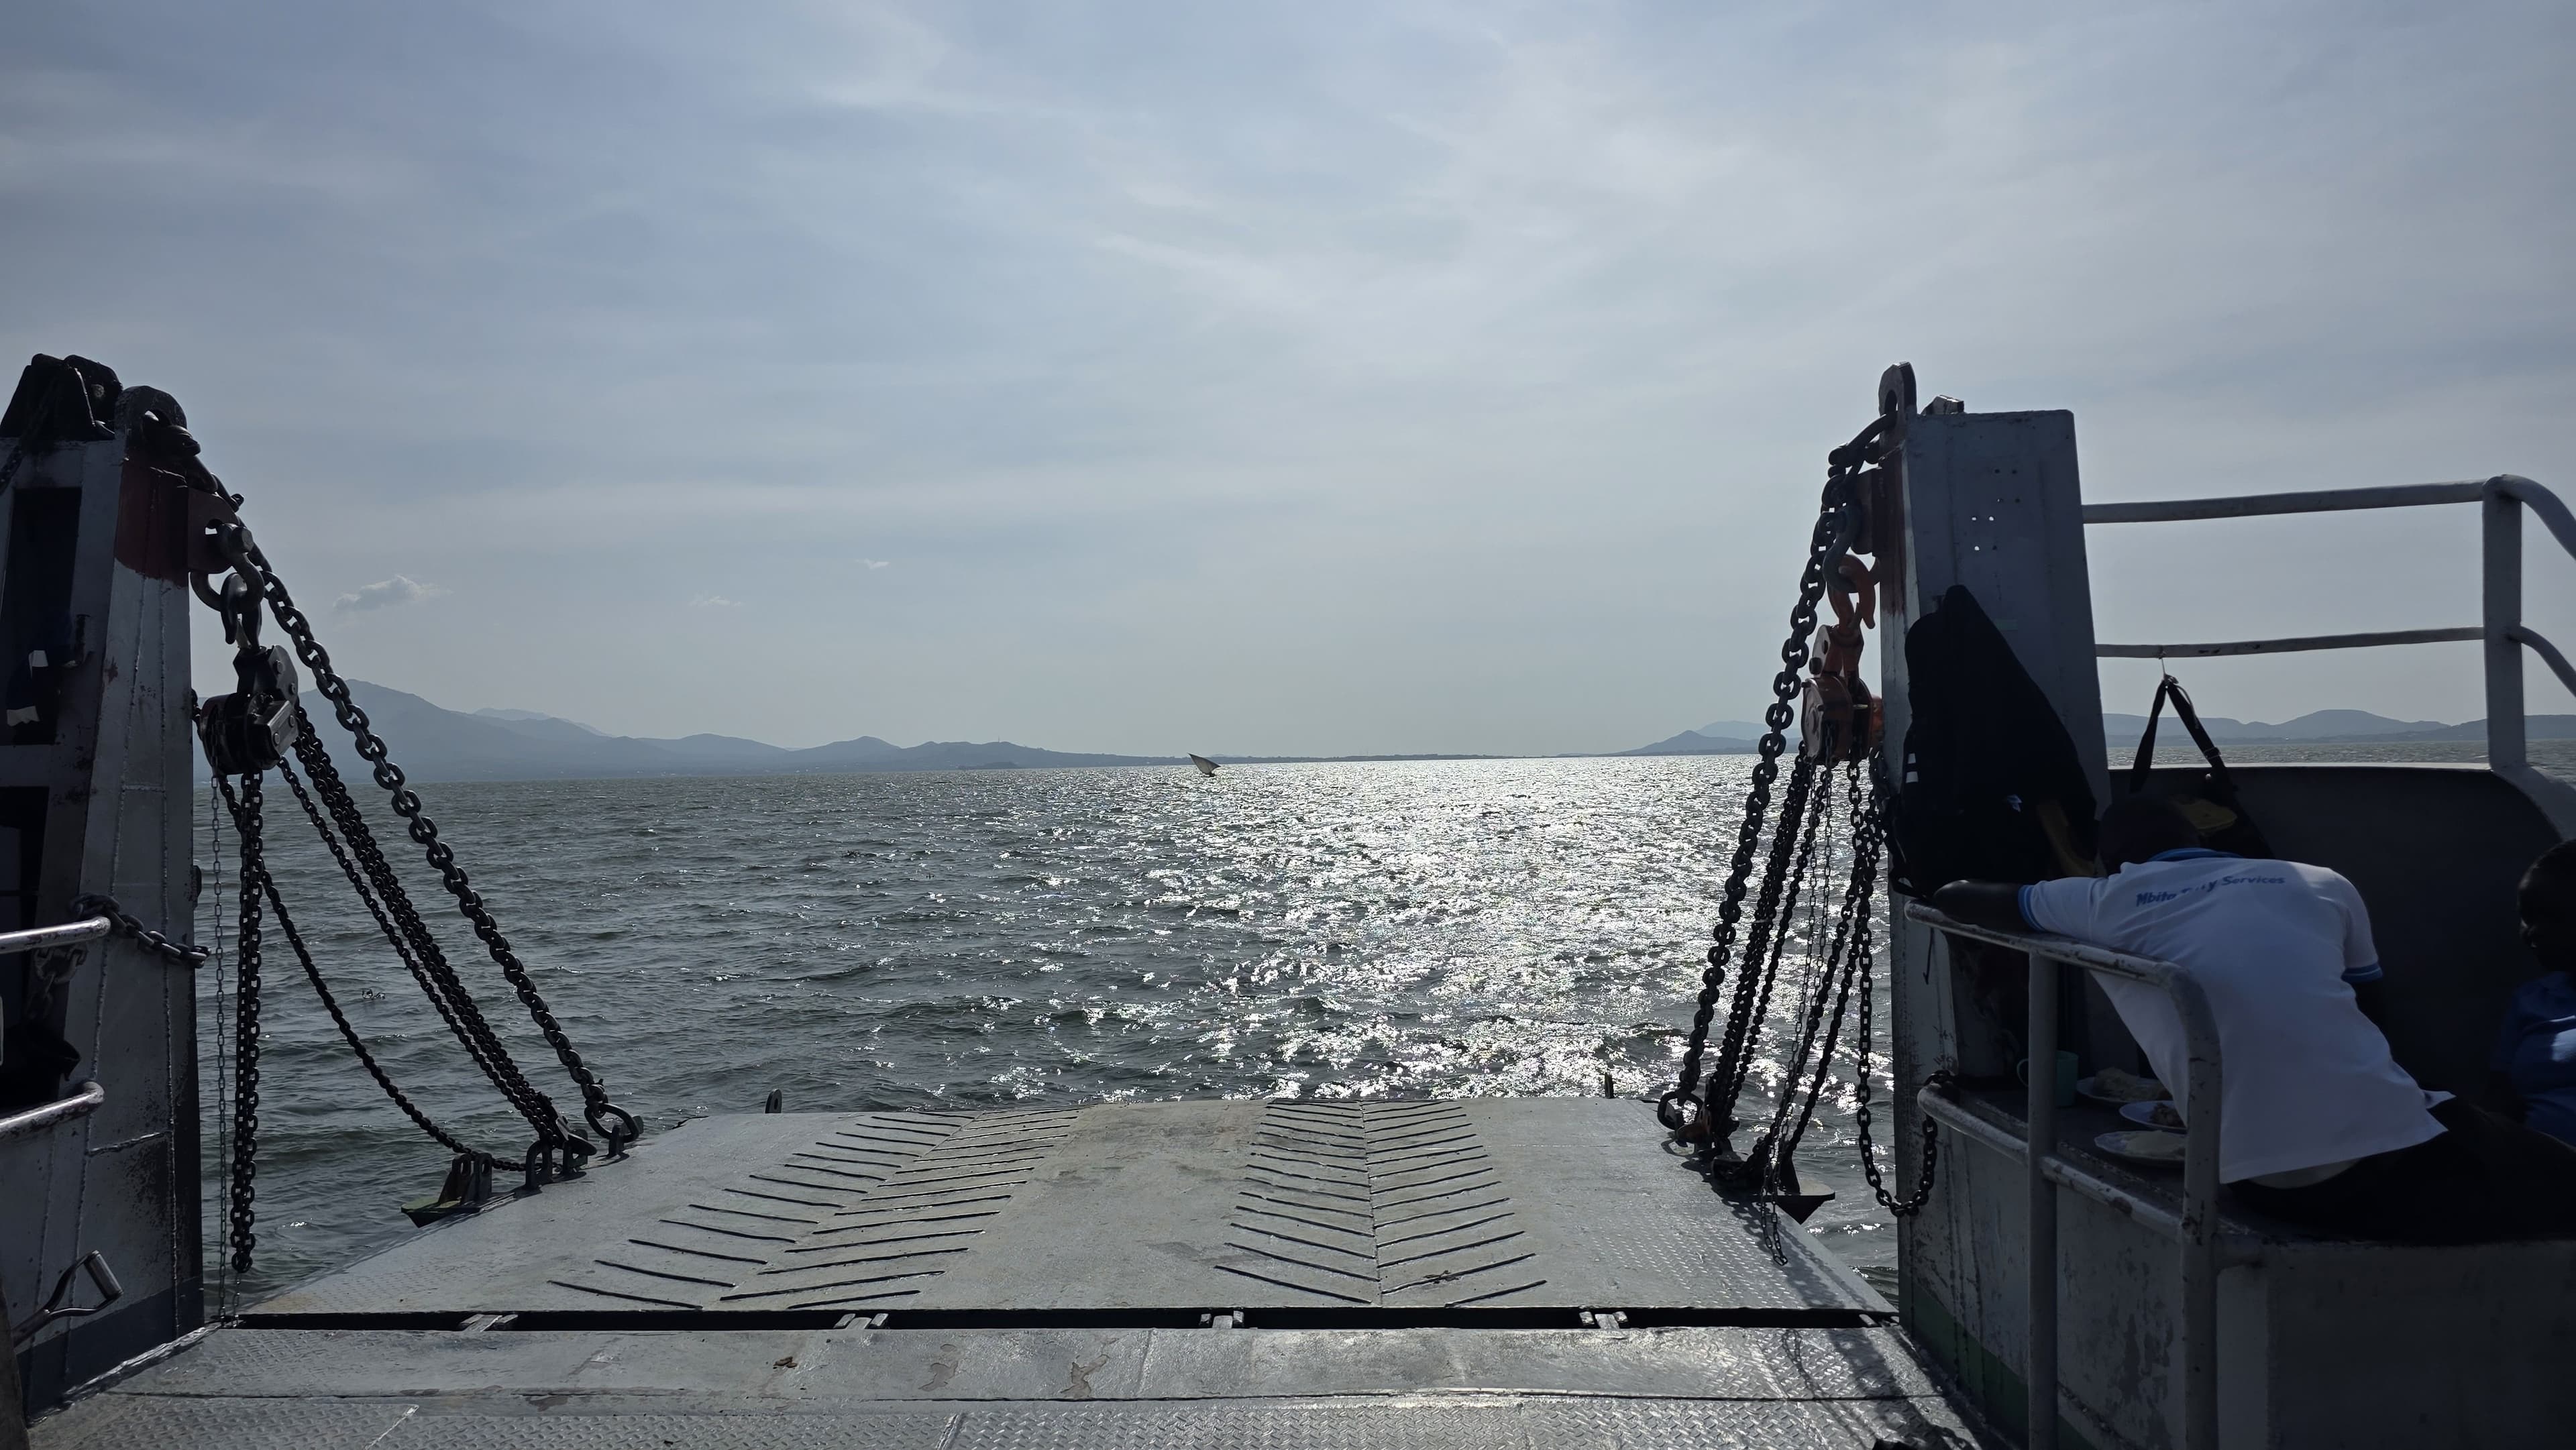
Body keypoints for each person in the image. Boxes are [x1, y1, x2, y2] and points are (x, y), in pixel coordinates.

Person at [1931, 794, 2576, 1243]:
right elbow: (2371, 1017)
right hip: (2381, 1168)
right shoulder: (2321, 881)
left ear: (2112, 861)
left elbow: (1956, 899)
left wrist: (2087, 891)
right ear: (2201, 842)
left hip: (2256, 1181)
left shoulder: (2103, 899)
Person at [2490, 841, 2576, 1146]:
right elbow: (2503, 1099)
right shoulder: (2532, 999)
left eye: (2551, 915)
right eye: (2526, 917)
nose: (2532, 931)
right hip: (2545, 1172)